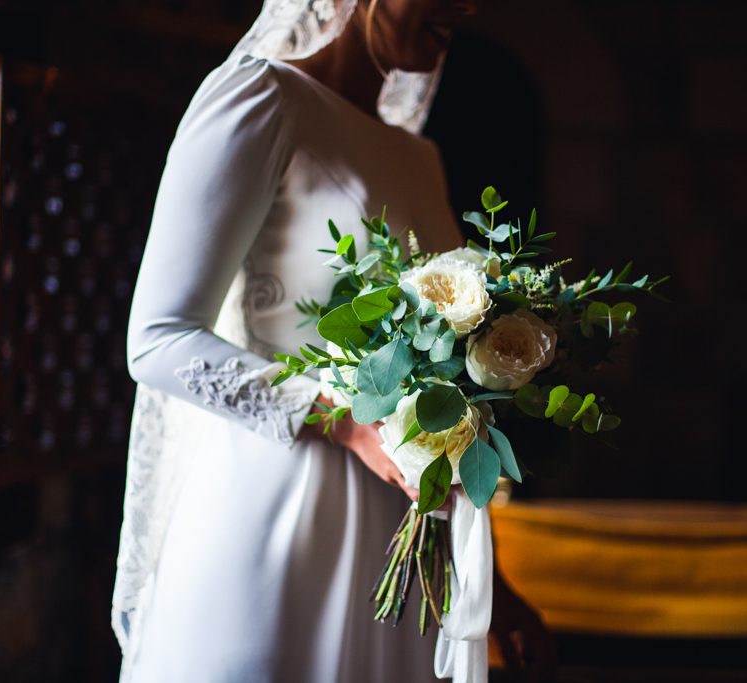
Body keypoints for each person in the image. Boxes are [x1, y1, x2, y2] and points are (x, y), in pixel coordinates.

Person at [111, 1, 556, 681]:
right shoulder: (261, 99)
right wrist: (344, 419)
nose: (465, 8)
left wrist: (490, 594)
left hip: (398, 551)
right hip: (273, 522)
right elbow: (158, 339)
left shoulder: (420, 156)